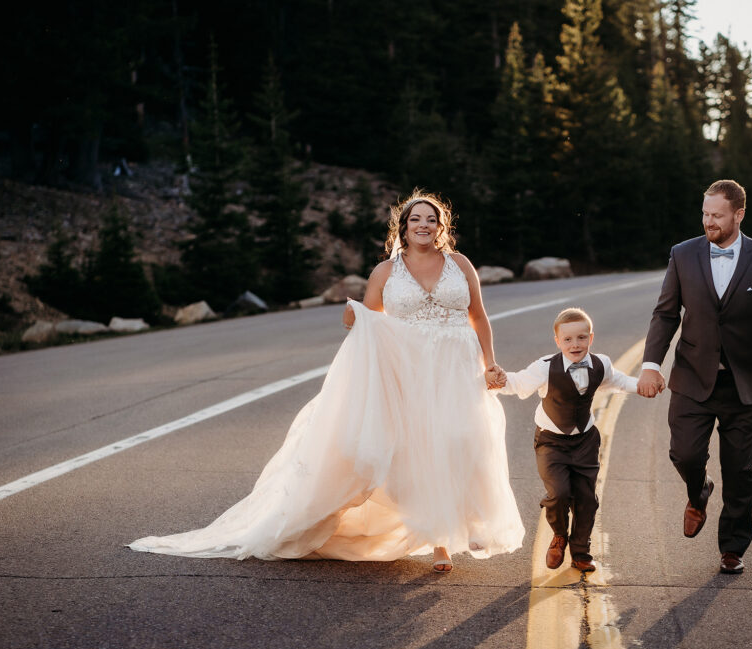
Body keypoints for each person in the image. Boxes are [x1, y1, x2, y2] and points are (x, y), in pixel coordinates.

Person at [129, 191, 524, 573]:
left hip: (457, 367)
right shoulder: (387, 271)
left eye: (431, 219)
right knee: (418, 451)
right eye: (415, 219)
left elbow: (479, 316)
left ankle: (466, 522)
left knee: (462, 440)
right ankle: (439, 539)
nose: (423, 225)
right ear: (402, 229)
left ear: (441, 227)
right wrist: (353, 316)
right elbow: (368, 322)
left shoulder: (460, 264)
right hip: (409, 372)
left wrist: (490, 364)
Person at [637, 179, 752, 575]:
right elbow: (665, 314)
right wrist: (650, 365)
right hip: (692, 379)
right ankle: (699, 492)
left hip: (745, 386)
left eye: (717, 215)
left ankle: (732, 547)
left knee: (740, 470)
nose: (709, 221)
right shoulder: (683, 254)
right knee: (685, 454)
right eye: (705, 214)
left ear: (739, 214)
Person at [494, 307, 641, 572]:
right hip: (551, 442)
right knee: (559, 492)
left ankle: (581, 551)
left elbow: (618, 381)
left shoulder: (600, 364)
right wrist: (495, 381)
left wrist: (642, 384)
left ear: (590, 338)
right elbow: (517, 383)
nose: (575, 344)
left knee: (587, 498)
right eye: (568, 339)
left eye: (581, 338)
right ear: (558, 341)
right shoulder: (544, 368)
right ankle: (559, 535)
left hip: (585, 441)